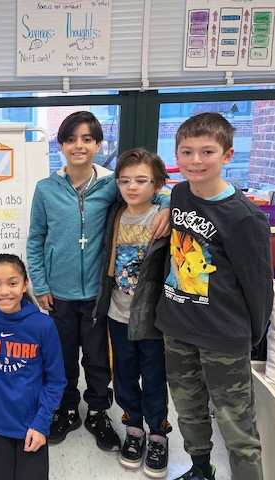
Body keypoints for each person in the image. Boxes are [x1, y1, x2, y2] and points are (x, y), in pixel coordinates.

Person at [27, 110, 170, 448]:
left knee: (95, 357)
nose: (79, 146)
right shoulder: (46, 189)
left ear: (97, 144)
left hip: (95, 294)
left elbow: (152, 192)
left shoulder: (110, 185)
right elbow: (35, 239)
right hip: (56, 294)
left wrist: (166, 204)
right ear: (60, 144)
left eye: (87, 139)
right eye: (72, 139)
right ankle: (66, 409)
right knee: (61, 357)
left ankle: (96, 411)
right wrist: (41, 285)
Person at [156, 113, 273, 480]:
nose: (195, 161)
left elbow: (258, 288)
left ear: (227, 155)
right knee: (188, 411)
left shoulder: (245, 218)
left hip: (224, 336)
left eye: (207, 151)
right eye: (186, 152)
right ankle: (200, 470)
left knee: (236, 423)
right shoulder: (178, 193)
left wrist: (251, 339)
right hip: (177, 327)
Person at [93, 148, 172, 478]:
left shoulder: (164, 214)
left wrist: (169, 205)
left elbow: (180, 193)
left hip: (152, 315)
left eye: (141, 180)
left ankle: (157, 434)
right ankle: (134, 429)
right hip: (117, 311)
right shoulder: (114, 212)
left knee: (154, 375)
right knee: (123, 373)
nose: (132, 187)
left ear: (156, 184)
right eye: (124, 180)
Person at [0, 254, 66, 480]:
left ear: (25, 284)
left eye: (12, 283)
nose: (4, 292)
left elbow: (56, 380)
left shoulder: (43, 325)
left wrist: (42, 424)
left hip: (32, 424)